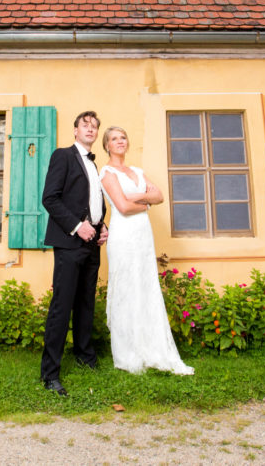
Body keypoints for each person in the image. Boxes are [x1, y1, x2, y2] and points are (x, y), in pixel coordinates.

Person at [99, 125, 194, 375]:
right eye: (114, 139)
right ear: (107, 145)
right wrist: (145, 202)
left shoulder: (137, 171)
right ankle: (127, 352)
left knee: (145, 285)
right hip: (123, 236)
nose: (120, 141)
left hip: (142, 235)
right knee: (126, 287)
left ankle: (151, 346)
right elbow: (122, 206)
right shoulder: (107, 172)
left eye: (123, 137)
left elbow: (160, 195)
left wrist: (137, 199)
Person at [39, 111, 108, 396]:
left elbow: (92, 202)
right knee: (62, 306)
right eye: (85, 125)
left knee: (85, 304)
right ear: (75, 130)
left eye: (94, 126)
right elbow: (50, 198)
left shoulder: (94, 165)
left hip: (92, 242)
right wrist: (78, 226)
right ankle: (50, 374)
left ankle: (85, 356)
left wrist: (102, 225)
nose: (90, 129)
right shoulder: (63, 156)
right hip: (70, 241)